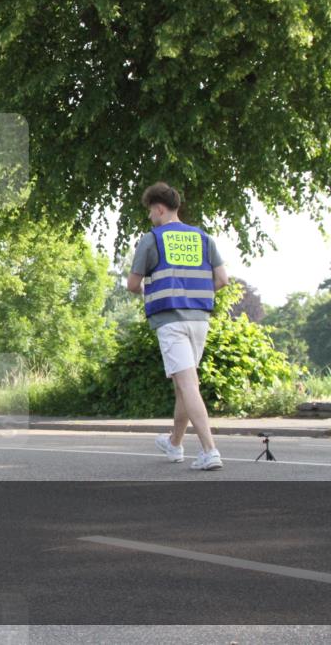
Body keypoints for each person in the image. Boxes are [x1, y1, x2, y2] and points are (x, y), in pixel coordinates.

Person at [126, 182, 230, 470]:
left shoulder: (152, 239)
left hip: (171, 322)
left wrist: (157, 290)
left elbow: (132, 284)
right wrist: (194, 291)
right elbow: (222, 280)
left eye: (150, 212)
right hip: (199, 320)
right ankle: (174, 444)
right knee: (184, 386)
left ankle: (210, 451)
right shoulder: (203, 238)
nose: (150, 217)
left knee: (187, 384)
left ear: (160, 208)